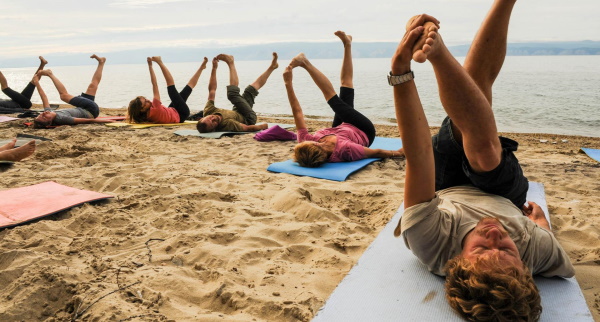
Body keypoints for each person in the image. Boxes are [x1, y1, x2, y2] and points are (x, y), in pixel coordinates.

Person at [390, 1, 574, 320]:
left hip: (444, 186)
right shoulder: (540, 254)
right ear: (525, 267)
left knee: (475, 114)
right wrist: (541, 222)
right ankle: (444, 48)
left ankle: (440, 51)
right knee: (486, 153)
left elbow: (418, 157)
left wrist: (400, 73)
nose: (494, 236)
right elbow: (548, 239)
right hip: (503, 195)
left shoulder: (429, 241)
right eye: (506, 249)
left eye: (482, 249)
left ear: (456, 263)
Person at [283, 31, 403, 168]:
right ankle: (305, 63)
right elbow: (377, 152)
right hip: (363, 130)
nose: (306, 140)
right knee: (332, 99)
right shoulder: (346, 150)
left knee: (346, 84)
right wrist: (398, 153)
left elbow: (297, 112)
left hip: (339, 128)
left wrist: (288, 84)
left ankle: (347, 44)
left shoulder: (305, 141)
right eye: (311, 142)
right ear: (317, 145)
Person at [196, 53, 277, 133]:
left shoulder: (208, 110)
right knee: (232, 94)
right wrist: (264, 126)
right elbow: (247, 128)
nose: (213, 119)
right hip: (248, 118)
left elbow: (212, 90)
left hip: (237, 111)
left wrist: (214, 68)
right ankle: (230, 62)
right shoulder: (227, 124)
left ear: (203, 117)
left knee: (250, 90)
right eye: (213, 123)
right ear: (214, 129)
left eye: (209, 118)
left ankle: (272, 67)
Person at [33, 55, 112, 128]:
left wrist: (37, 83)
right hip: (91, 110)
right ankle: (50, 74)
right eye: (44, 117)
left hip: (82, 108)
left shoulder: (48, 112)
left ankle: (101, 63)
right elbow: (88, 120)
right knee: (64, 96)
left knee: (92, 86)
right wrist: (110, 121)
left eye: (40, 115)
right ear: (50, 123)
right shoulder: (61, 119)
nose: (43, 113)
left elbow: (43, 97)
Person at [127, 56, 207, 124]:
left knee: (187, 90)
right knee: (171, 88)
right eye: (145, 103)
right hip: (181, 113)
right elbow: (154, 84)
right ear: (142, 109)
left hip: (170, 111)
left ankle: (201, 68)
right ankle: (160, 62)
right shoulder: (155, 108)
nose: (148, 100)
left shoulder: (143, 116)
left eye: (145, 99)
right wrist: (151, 66)